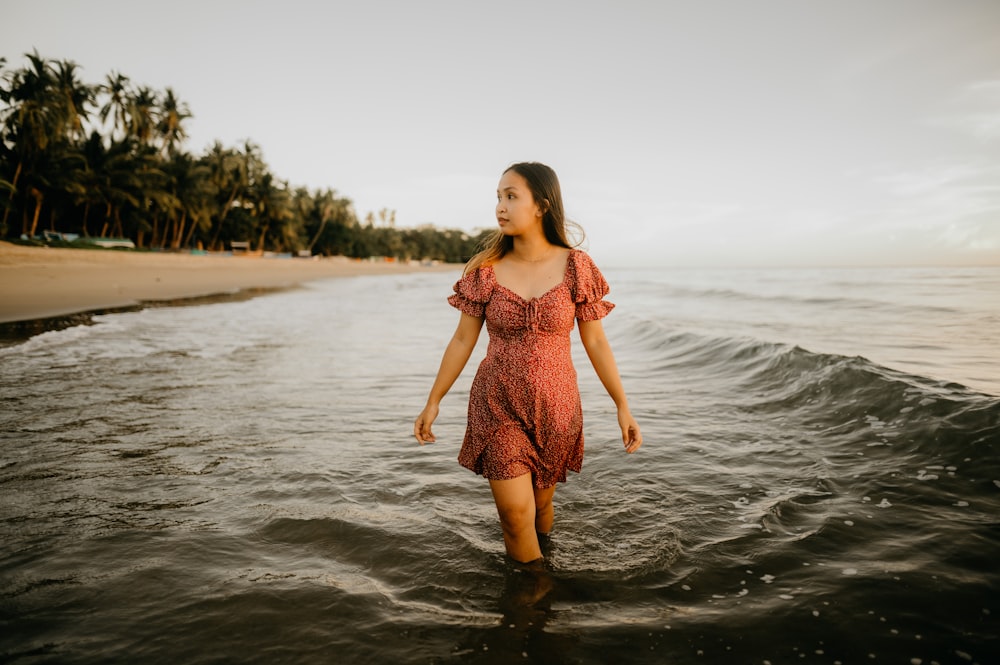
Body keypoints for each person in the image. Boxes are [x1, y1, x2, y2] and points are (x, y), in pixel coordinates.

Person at [413, 162, 642, 564]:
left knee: (541, 508)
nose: (500, 206)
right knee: (515, 516)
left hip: (557, 409)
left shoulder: (577, 267)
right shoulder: (486, 271)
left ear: (542, 205)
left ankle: (543, 566)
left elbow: (597, 342)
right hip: (496, 404)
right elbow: (463, 338)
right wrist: (434, 400)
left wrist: (622, 406)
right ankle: (532, 606)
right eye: (498, 197)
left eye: (511, 196)